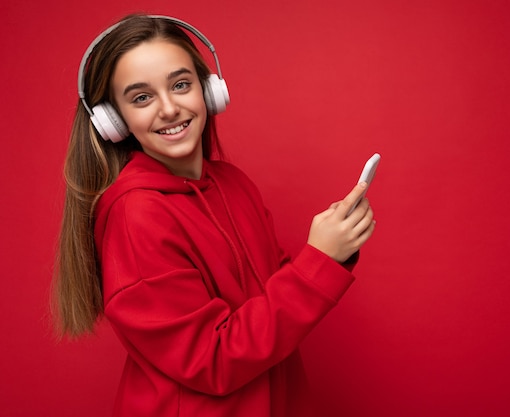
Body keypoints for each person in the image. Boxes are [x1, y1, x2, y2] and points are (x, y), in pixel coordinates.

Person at [54, 14, 375, 417]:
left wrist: (332, 247)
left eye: (181, 85)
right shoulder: (136, 216)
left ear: (209, 90)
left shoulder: (234, 183)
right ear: (113, 122)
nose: (169, 108)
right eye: (141, 98)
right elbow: (213, 359)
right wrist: (319, 261)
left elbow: (274, 295)